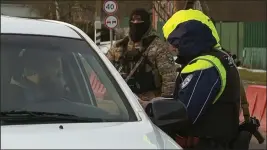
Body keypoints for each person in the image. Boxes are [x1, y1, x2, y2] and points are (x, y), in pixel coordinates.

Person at [162, 9, 241, 149]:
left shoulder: (204, 66)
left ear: (188, 37)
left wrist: (152, 110)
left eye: (175, 42)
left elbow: (183, 115)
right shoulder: (219, 57)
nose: (172, 48)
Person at [106, 8, 177, 103]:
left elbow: (169, 78)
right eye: (133, 21)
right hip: (122, 100)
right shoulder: (120, 46)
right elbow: (104, 69)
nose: (136, 24)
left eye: (139, 21)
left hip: (148, 101)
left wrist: (163, 102)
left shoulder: (158, 47)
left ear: (147, 23)